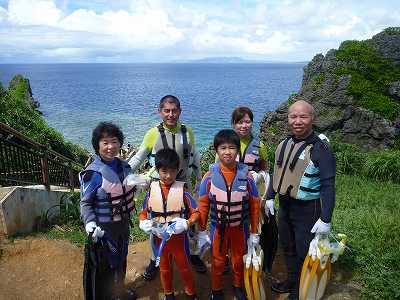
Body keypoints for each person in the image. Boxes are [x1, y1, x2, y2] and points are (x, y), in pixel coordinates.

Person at [264, 100, 336, 300]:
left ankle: (298, 292)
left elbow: (329, 186)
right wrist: (270, 196)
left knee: (304, 251)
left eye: (303, 116)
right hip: (285, 206)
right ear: (288, 119)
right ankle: (292, 280)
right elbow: (277, 173)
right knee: (287, 246)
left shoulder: (321, 149)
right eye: (293, 116)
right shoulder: (284, 143)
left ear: (312, 118)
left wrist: (326, 219)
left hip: (307, 209)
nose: (298, 121)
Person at [128, 95, 206, 279]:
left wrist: (200, 180)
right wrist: (123, 173)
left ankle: (193, 254)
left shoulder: (188, 132)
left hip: (183, 185)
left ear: (180, 111)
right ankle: (155, 259)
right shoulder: (152, 133)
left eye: (174, 110)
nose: (170, 114)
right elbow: (139, 157)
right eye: (166, 111)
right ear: (160, 111)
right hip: (158, 186)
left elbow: (195, 157)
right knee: (157, 222)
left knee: (189, 223)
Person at [197, 129, 260, 300]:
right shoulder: (209, 177)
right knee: (217, 261)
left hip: (240, 227)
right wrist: (202, 232)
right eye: (223, 148)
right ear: (216, 150)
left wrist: (254, 232)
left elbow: (255, 206)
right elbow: (203, 206)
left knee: (238, 260)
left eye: (232, 148)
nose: (227, 152)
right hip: (218, 228)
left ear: (238, 151)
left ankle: (238, 286)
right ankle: (216, 289)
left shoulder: (247, 177)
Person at [80, 122, 137, 300]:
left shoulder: (124, 167)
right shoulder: (93, 173)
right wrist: (89, 223)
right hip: (103, 229)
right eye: (105, 142)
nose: (110, 147)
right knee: (103, 266)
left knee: (121, 259)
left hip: (123, 225)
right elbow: (86, 203)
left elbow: (125, 190)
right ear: (97, 146)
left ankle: (118, 292)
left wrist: (138, 185)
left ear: (120, 143)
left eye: (114, 141)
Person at [138, 149, 199, 300]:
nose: (168, 175)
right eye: (164, 171)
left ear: (178, 171)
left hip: (178, 239)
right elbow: (143, 212)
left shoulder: (183, 191)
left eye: (172, 171)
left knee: (184, 268)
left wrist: (186, 222)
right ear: (157, 170)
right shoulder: (151, 191)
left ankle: (191, 293)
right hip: (159, 239)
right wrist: (142, 222)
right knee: (164, 269)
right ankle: (168, 294)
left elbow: (196, 213)